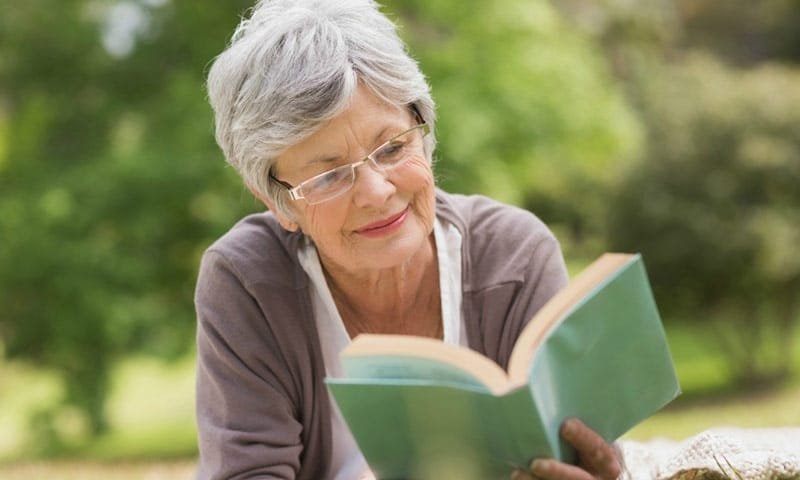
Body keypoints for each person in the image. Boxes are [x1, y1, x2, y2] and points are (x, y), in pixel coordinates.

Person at [195, 0, 623, 478]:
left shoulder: (515, 254)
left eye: (394, 147)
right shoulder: (246, 280)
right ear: (279, 203)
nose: (377, 193)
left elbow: (577, 444)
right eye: (330, 176)